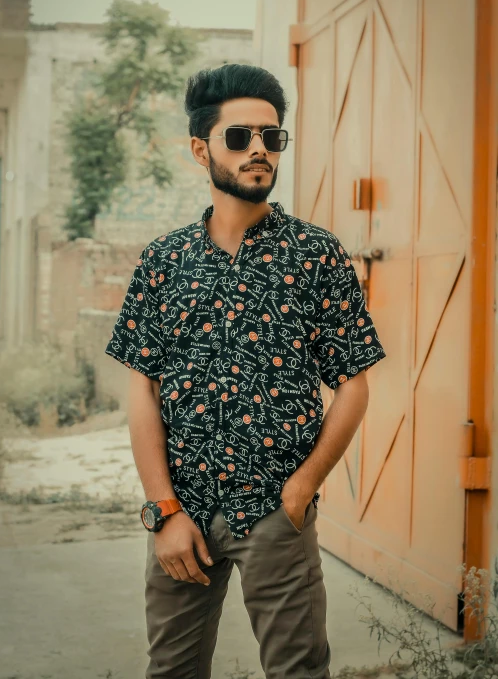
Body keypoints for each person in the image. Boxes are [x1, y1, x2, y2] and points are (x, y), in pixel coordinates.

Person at [105, 63, 387, 679]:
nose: (260, 149)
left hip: (274, 512)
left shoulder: (315, 254)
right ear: (201, 148)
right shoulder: (163, 261)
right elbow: (143, 390)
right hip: (184, 510)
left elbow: (353, 384)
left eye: (272, 136)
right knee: (171, 670)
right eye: (241, 137)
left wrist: (302, 488)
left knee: (298, 671)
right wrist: (163, 511)